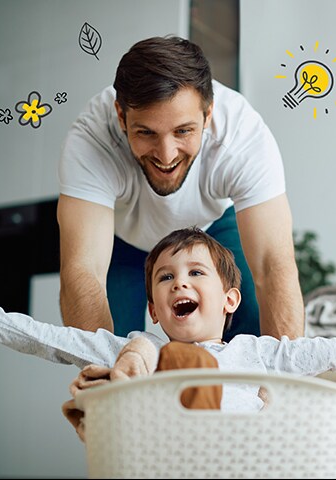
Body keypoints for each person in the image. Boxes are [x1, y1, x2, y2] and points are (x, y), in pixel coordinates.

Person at [0, 227, 336, 415]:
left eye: (196, 273)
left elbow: (330, 352)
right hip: (167, 456)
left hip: (242, 460)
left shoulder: (258, 353)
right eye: (166, 278)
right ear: (154, 309)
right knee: (155, 355)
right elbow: (57, 341)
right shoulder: (139, 349)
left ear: (230, 300)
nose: (180, 284)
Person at [57, 35, 302, 342]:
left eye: (183, 131)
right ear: (121, 116)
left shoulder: (243, 137)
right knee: (109, 342)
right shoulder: (92, 139)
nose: (166, 154)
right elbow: (83, 270)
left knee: (248, 314)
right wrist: (109, 381)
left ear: (208, 114)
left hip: (212, 225)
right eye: (146, 132)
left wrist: (275, 388)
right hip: (121, 238)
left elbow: (273, 265)